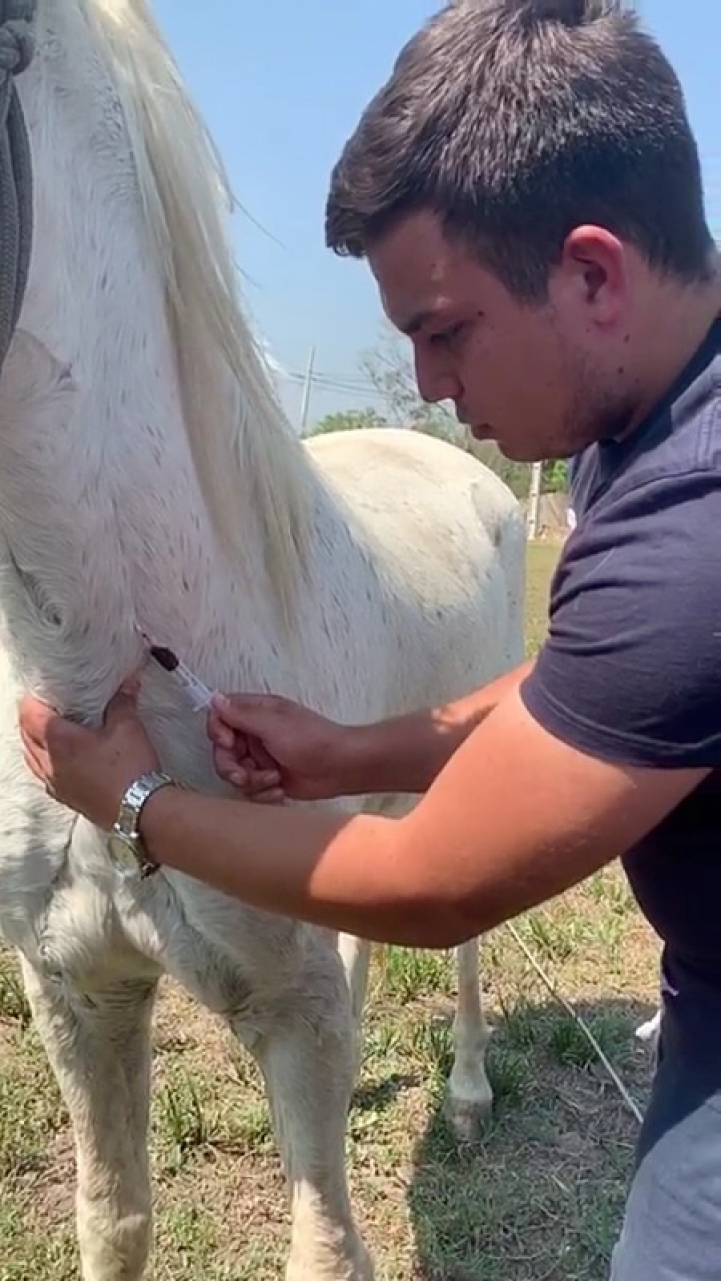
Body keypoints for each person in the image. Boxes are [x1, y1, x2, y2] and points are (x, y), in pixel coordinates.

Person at [17, 0, 721, 1276]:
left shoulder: (699, 533)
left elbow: (436, 883)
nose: (431, 388)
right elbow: (586, 685)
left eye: (443, 333)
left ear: (593, 272)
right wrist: (351, 749)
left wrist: (130, 799)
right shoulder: (649, 426)